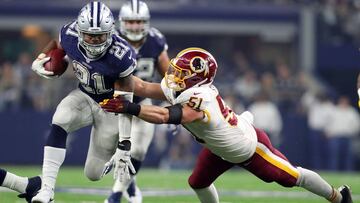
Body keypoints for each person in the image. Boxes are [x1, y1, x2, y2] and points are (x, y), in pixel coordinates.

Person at [100, 47, 353, 203]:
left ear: (197, 78)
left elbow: (167, 117)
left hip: (248, 147)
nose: (173, 77)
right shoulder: (184, 87)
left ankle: (338, 197)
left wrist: (130, 107)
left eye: (181, 73)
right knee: (197, 181)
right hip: (219, 145)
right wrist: (112, 72)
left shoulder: (200, 98)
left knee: (291, 177)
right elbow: (143, 86)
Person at [29, 1, 137, 202]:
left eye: (99, 36)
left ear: (110, 32)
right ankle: (46, 190)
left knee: (93, 173)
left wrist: (125, 143)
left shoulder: (120, 55)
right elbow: (56, 44)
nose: (94, 41)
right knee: (60, 119)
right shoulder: (69, 34)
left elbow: (125, 103)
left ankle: (128, 178)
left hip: (111, 107)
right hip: (85, 96)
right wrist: (41, 57)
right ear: (79, 31)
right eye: (89, 35)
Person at [105, 1, 170, 203]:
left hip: (141, 101)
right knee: (106, 154)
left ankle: (115, 194)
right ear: (122, 22)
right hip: (112, 102)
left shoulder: (155, 40)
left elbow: (169, 76)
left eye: (139, 21)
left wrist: (177, 99)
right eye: (131, 21)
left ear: (147, 22)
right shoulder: (110, 40)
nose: (134, 26)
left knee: (139, 150)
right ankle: (129, 184)